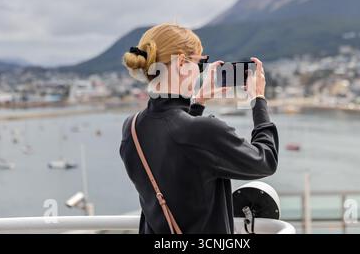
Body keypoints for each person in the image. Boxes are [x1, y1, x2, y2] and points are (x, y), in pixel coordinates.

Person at [119, 23, 278, 234]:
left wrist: (198, 103)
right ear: (182, 64)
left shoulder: (131, 129)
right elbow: (266, 161)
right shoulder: (203, 131)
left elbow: (179, 154)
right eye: (200, 64)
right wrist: (258, 100)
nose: (199, 72)